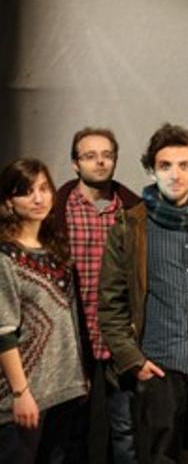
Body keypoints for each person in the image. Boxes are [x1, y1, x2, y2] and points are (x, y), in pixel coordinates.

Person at [99, 124, 188, 463]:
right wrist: (135, 361)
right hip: (159, 361)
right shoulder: (131, 225)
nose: (174, 175)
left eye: (183, 166)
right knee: (158, 455)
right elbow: (111, 304)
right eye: (165, 166)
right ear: (152, 169)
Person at [49, 127, 141, 464]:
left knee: (126, 427)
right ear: (75, 164)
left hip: (119, 335)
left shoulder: (132, 210)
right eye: (89, 156)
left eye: (107, 155)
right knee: (70, 429)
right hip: (74, 336)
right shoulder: (58, 209)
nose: (100, 162)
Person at [0, 159, 88, 463]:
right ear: (8, 202)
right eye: (26, 192)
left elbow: (71, 320)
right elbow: (4, 331)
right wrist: (20, 392)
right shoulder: (5, 256)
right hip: (26, 395)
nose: (38, 199)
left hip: (65, 389)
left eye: (43, 188)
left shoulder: (56, 249)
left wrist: (79, 376)